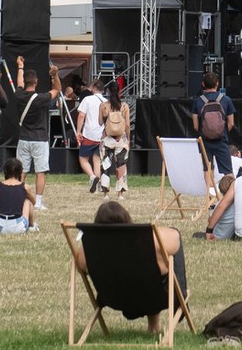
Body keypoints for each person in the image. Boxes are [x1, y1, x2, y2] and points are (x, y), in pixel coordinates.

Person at [84, 200, 186, 339]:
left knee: (146, 273)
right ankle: (181, 297)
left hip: (114, 298)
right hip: (154, 297)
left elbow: (81, 266)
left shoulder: (87, 251)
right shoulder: (145, 241)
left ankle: (154, 325)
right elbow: (175, 237)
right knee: (156, 269)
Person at [12, 57, 59, 211]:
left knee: (22, 171)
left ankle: (17, 198)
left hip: (24, 138)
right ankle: (38, 202)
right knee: (40, 172)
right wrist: (55, 75)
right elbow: (57, 90)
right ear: (36, 82)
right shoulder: (41, 98)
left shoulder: (19, 96)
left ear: (25, 82)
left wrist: (20, 66)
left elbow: (18, 83)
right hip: (40, 139)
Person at [192, 73, 237, 183]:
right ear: (217, 84)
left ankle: (210, 196)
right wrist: (222, 132)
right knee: (228, 171)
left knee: (207, 169)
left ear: (203, 84)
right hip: (221, 140)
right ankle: (229, 193)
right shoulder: (226, 100)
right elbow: (231, 123)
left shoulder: (198, 101)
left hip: (205, 141)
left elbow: (195, 125)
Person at [0, 157, 38, 234]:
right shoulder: (25, 187)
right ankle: (32, 225)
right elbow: (33, 202)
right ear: (20, 172)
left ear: (5, 171)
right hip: (17, 227)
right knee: (27, 200)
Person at [76, 76, 108, 193]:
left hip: (89, 133)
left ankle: (92, 177)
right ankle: (98, 185)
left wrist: (78, 131)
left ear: (93, 88)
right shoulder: (106, 102)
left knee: (83, 159)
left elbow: (81, 116)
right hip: (102, 135)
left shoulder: (87, 100)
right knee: (97, 160)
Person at [100, 81, 132, 195]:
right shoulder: (124, 106)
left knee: (106, 165)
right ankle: (120, 193)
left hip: (107, 138)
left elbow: (100, 122)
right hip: (121, 138)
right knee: (121, 165)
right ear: (119, 90)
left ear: (108, 91)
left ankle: (106, 193)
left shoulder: (103, 106)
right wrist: (128, 138)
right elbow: (127, 125)